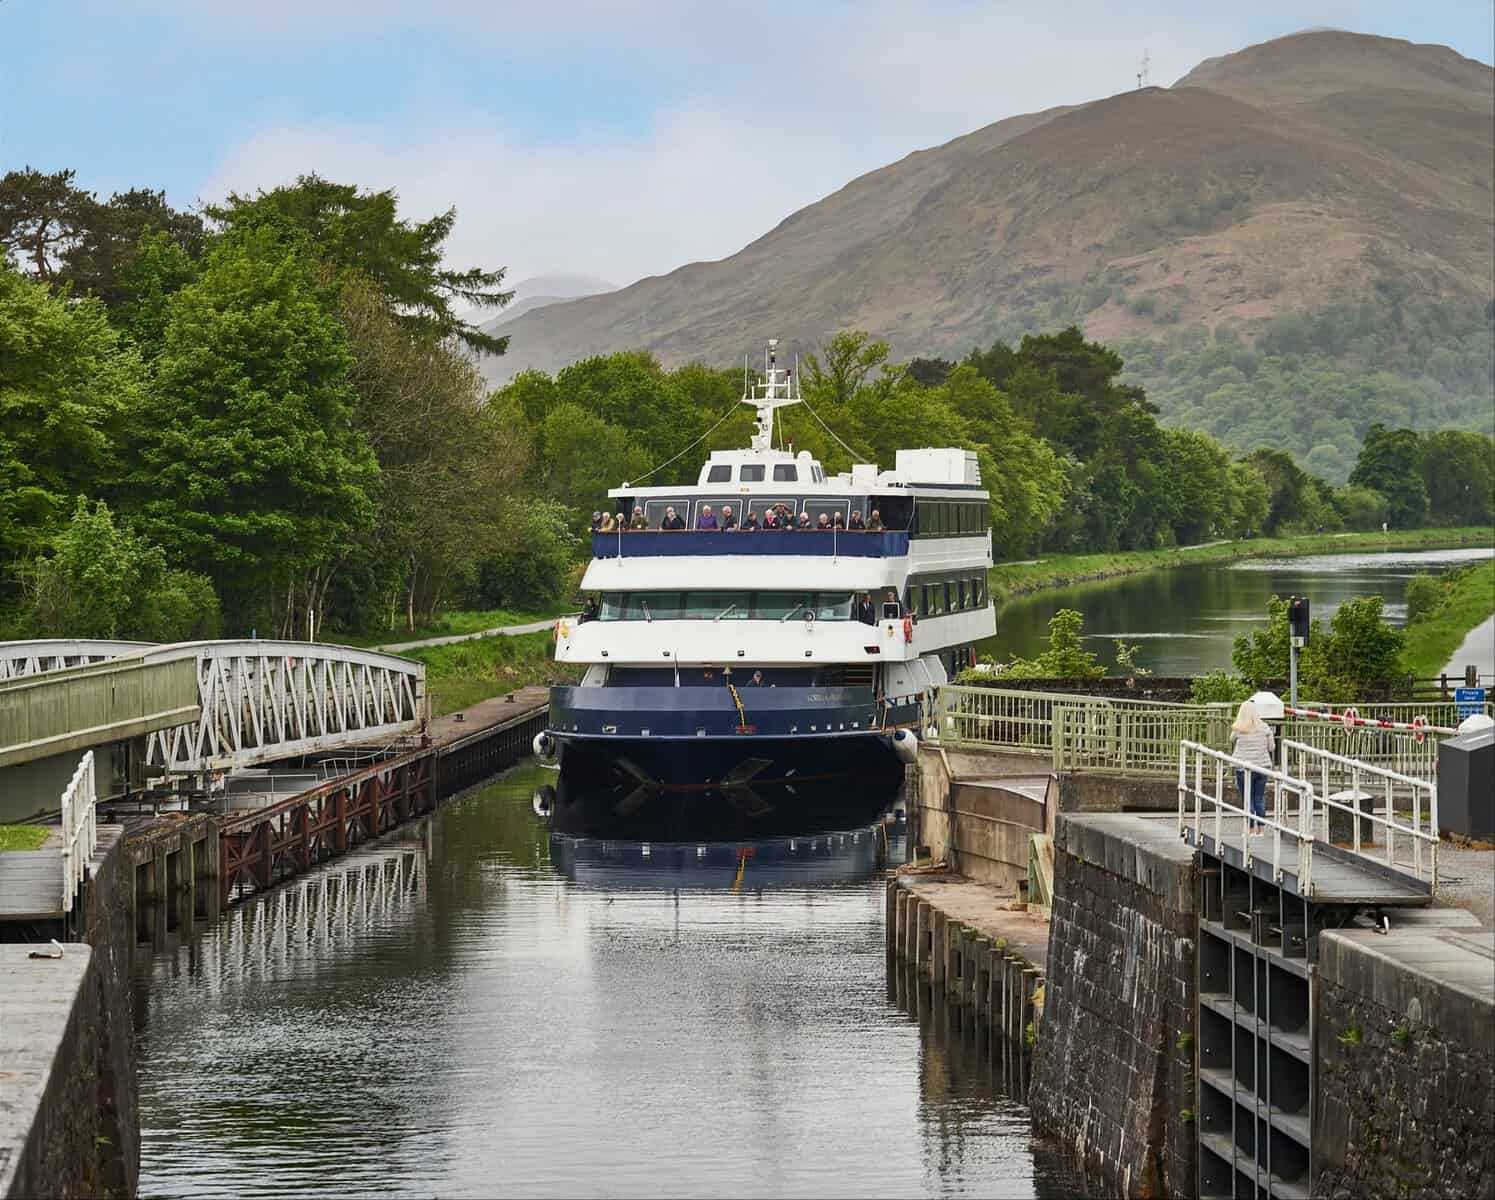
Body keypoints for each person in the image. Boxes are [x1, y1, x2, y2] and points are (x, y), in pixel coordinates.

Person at [1230, 699, 1276, 835]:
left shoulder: (1239, 729)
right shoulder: (1265, 728)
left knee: (1248, 799)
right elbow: (1272, 747)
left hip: (1243, 768)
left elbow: (1231, 739)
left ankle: (1249, 830)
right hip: (1261, 767)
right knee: (1259, 798)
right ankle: (1261, 830)